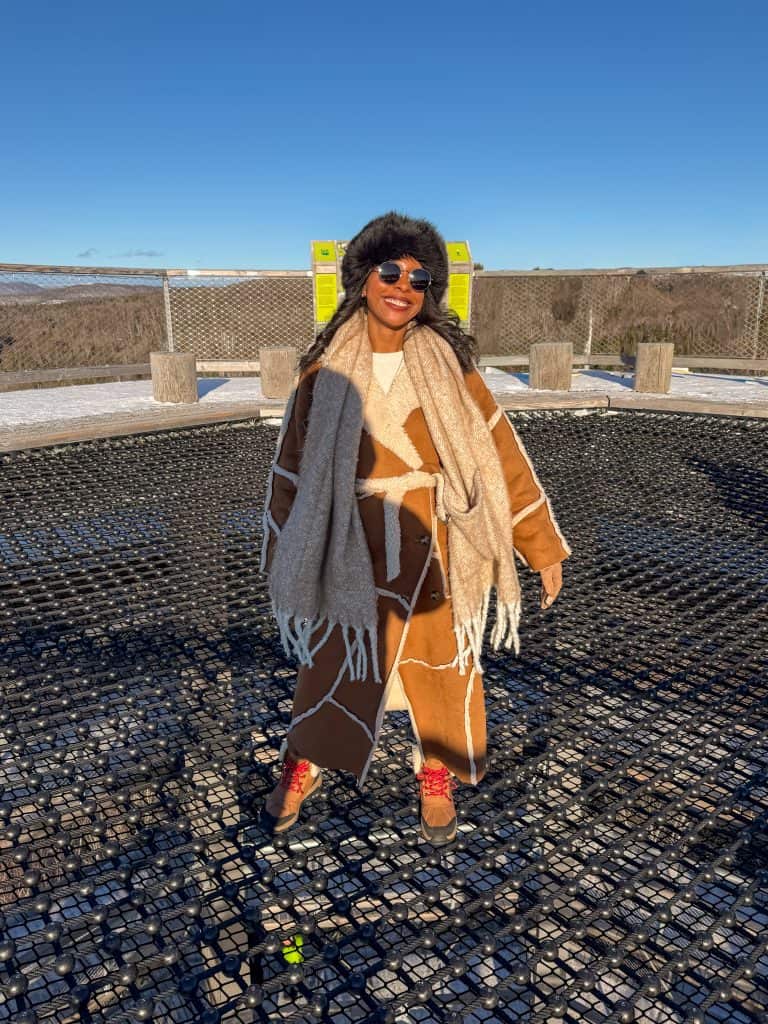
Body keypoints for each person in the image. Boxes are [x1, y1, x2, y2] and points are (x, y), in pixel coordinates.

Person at [260, 212, 570, 845]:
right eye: (390, 270)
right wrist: (282, 554)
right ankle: (308, 758)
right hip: (345, 540)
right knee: (334, 656)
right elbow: (292, 465)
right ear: (362, 279)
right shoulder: (324, 370)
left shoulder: (451, 367)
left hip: (435, 540)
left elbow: (498, 451)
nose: (404, 285)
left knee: (441, 660)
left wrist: (538, 545)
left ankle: (436, 767)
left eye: (420, 277)